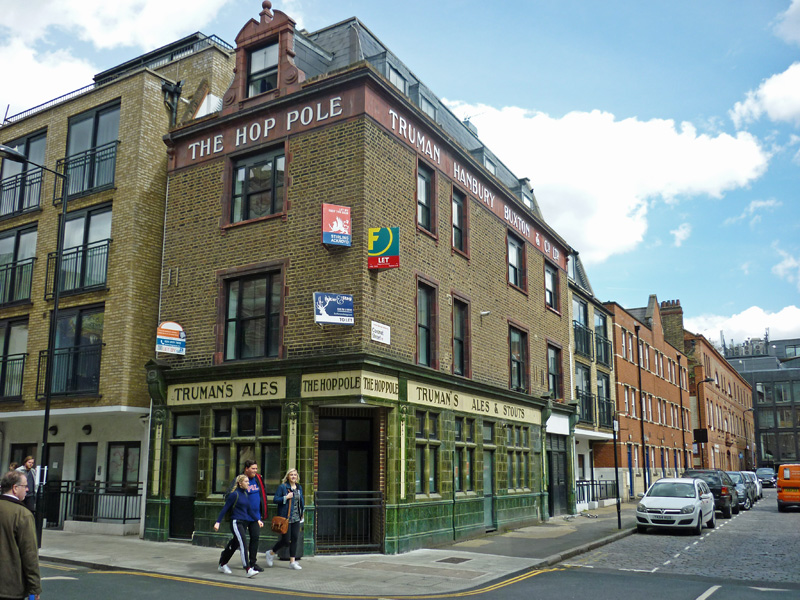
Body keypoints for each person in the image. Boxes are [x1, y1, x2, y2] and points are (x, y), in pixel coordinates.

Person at [0, 470, 41, 599]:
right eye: (25, 486)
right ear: (15, 488)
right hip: (9, 588)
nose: (27, 489)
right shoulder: (23, 514)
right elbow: (29, 554)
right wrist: (34, 588)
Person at [223, 460, 266, 573]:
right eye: (253, 469)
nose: (255, 471)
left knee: (255, 538)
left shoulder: (258, 479)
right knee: (237, 541)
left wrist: (260, 514)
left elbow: (262, 494)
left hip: (255, 516)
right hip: (242, 516)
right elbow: (228, 495)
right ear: (246, 469)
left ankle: (252, 563)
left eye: (256, 468)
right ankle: (223, 560)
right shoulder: (239, 480)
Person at [214, 475, 261, 578]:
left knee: (235, 544)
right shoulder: (234, 495)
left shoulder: (245, 494)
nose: (248, 483)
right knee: (243, 543)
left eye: (248, 481)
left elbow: (249, 510)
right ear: (240, 483)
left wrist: (257, 520)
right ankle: (248, 569)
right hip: (236, 522)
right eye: (246, 481)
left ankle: (222, 563)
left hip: (244, 522)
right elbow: (225, 508)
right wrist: (218, 522)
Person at [265, 468, 304, 570]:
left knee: (295, 539)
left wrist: (302, 512)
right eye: (291, 475)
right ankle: (271, 553)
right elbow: (275, 499)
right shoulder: (283, 487)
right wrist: (285, 497)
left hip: (296, 517)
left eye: (295, 475)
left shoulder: (299, 487)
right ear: (287, 476)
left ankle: (292, 562)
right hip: (285, 518)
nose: (293, 476)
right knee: (286, 540)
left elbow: (301, 501)